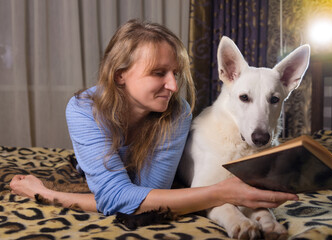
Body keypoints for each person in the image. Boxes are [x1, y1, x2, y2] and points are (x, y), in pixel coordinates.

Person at [10, 19, 298, 216]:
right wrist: (222, 192)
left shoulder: (177, 111)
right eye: (159, 73)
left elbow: (148, 195)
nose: (174, 86)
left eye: (175, 73)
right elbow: (117, 197)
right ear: (120, 75)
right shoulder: (83, 109)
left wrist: (48, 193)